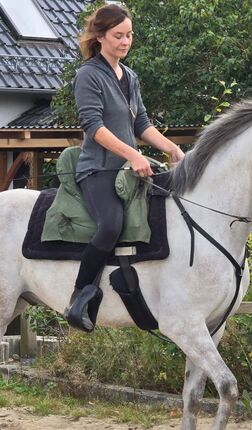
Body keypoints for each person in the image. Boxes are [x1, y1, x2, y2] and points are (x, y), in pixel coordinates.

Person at [65, 3, 184, 332]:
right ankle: (80, 297)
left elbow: (142, 123)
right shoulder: (88, 75)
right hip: (98, 170)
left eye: (129, 35)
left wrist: (172, 148)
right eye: (118, 35)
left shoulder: (129, 76)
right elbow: (94, 126)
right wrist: (132, 154)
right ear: (100, 36)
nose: (125, 41)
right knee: (110, 226)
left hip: (130, 170)